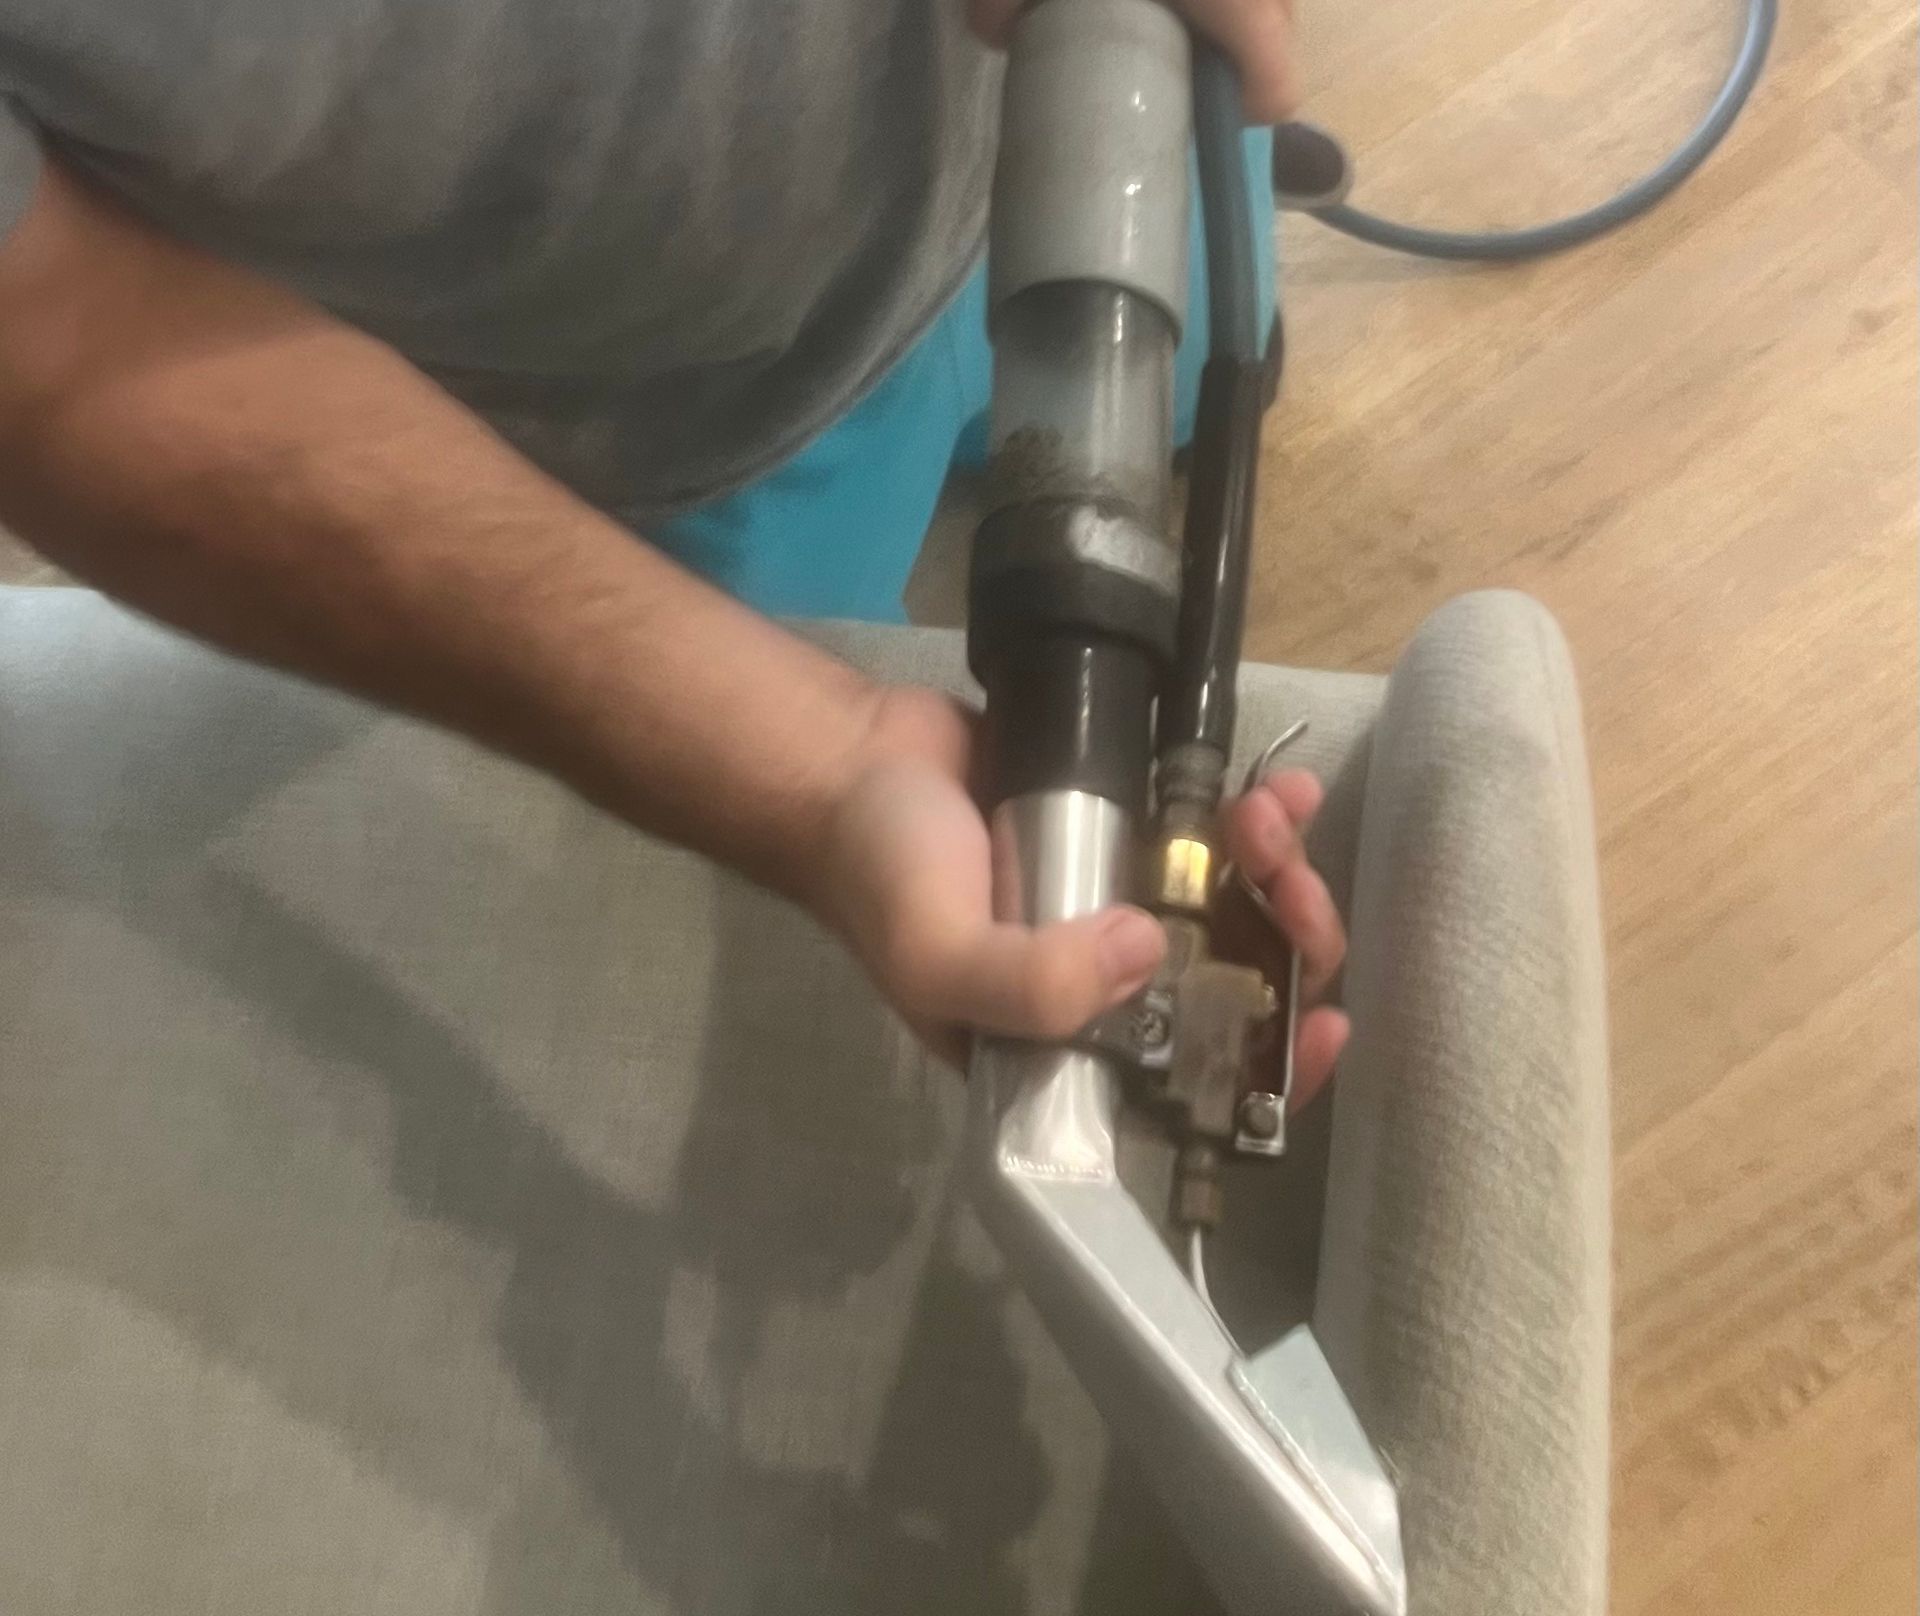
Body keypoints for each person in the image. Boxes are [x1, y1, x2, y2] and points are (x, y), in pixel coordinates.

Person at [0, 0, 1348, 1091]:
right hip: (679, 417)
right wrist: (829, 764)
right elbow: (54, 352)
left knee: (1196, 383)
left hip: (1096, 85)